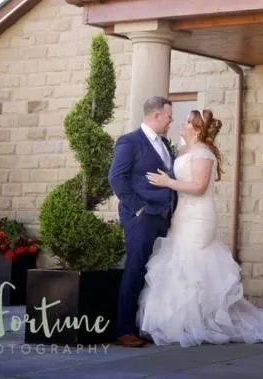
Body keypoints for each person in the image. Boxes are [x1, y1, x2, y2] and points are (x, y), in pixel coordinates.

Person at [137, 109, 263, 347]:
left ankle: (203, 320)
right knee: (178, 262)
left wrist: (168, 182)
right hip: (182, 216)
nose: (183, 124)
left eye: (188, 122)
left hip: (199, 217)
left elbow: (199, 186)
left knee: (194, 263)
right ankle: (182, 321)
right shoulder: (183, 151)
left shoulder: (202, 153)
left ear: (197, 129)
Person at [107, 95, 176, 348]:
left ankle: (147, 324)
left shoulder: (165, 144)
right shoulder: (130, 141)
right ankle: (124, 329)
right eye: (169, 117)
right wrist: (138, 209)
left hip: (164, 217)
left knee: (155, 272)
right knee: (135, 269)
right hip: (142, 218)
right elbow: (116, 178)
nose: (171, 122)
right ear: (156, 115)